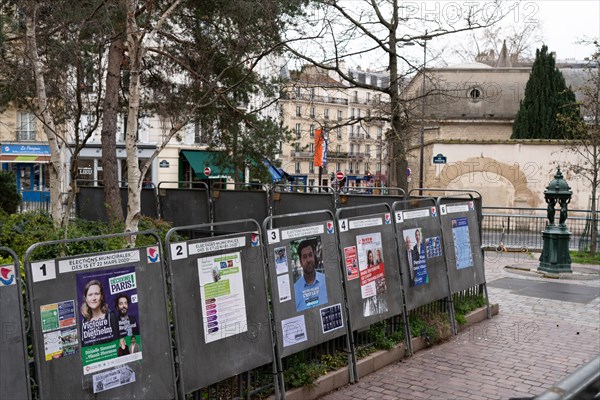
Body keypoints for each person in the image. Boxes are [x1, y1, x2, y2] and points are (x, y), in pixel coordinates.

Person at [294, 239, 328, 312]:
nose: (308, 260)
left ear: (314, 257)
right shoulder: (295, 291)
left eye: (310, 255)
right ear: (300, 261)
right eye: (305, 257)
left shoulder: (326, 282)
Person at [80, 280, 118, 345]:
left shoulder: (110, 317)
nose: (93, 298)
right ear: (86, 299)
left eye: (97, 294)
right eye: (90, 295)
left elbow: (117, 343)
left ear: (102, 296)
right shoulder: (83, 323)